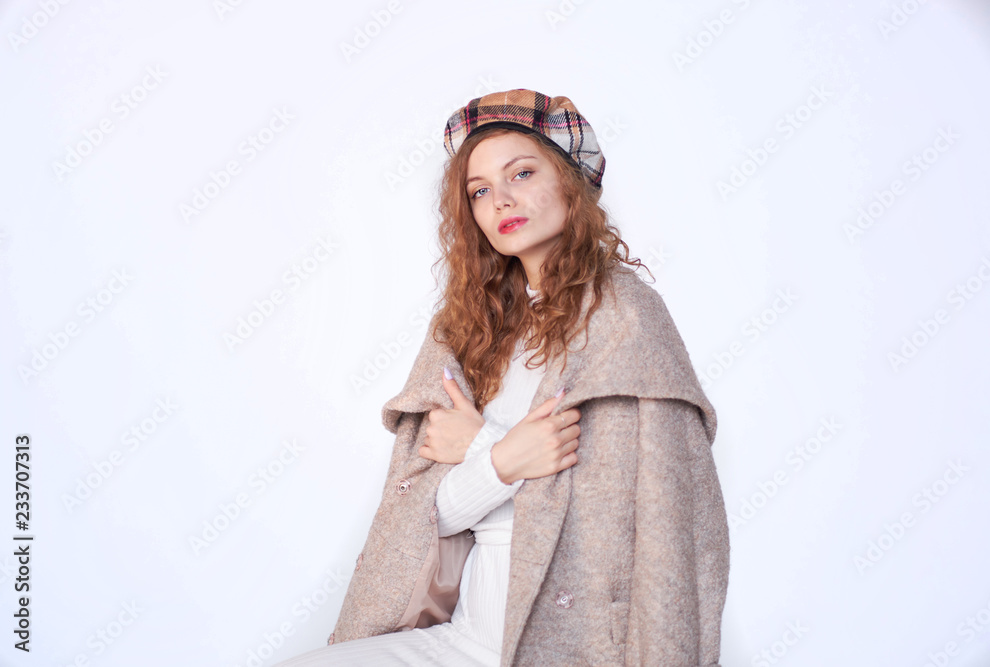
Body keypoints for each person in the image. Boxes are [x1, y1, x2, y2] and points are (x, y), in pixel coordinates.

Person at [276, 89, 729, 666]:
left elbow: (638, 517)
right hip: (463, 640)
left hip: (575, 647)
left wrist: (478, 447)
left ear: (571, 180)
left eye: (521, 172)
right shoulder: (468, 331)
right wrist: (502, 460)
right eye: (480, 190)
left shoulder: (627, 320)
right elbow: (431, 514)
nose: (500, 200)